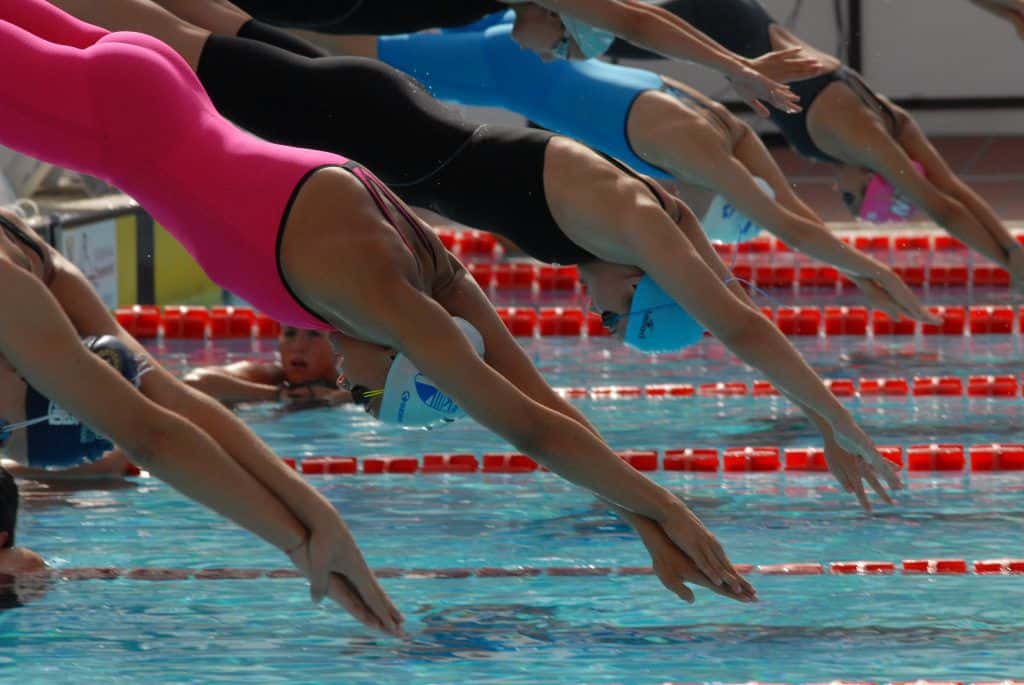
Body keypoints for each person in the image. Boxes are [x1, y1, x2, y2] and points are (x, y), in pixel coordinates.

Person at [1, 0, 778, 611]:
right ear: (407, 356)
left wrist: (643, 518)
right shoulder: (372, 289)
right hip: (108, 116)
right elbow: (528, 423)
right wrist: (666, 506)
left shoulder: (424, 262)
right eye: (368, 391)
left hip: (154, 86)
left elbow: (541, 399)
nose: (345, 377)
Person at [348, 16, 933, 314]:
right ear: (718, 194)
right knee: (338, 46)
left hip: (528, 46)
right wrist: (868, 273)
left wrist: (730, 286)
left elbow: (788, 209)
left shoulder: (722, 131)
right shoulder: (696, 153)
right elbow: (790, 224)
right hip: (511, 66)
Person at [0, 219, 400, 634]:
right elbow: (158, 428)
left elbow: (164, 418)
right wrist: (302, 536)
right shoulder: (31, 278)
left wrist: (316, 523)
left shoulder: (22, 285)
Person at [602, 0, 1024, 290]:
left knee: (601, 32)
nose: (838, 192)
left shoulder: (891, 122)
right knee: (601, 34)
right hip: (721, 22)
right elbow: (941, 206)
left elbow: (951, 187)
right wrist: (1010, 264)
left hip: (733, 19)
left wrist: (1010, 254)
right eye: (850, 196)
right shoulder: (865, 136)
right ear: (873, 177)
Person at [152, 0, 822, 117]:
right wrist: (735, 64)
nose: (551, 54)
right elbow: (632, 17)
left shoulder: (480, 13)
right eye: (562, 44)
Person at [185, 326, 352, 406]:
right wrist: (278, 395)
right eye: (289, 334)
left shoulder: (352, 381)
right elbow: (193, 383)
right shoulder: (270, 377)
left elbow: (377, 393)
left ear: (339, 347)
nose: (298, 346)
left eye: (314, 334)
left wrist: (343, 397)